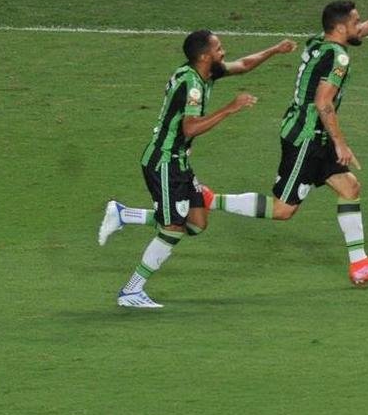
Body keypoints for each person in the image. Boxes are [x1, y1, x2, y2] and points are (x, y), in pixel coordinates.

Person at [204, 0, 368, 285]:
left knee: (349, 187)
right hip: (305, 136)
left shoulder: (319, 41)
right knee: (282, 210)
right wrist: (340, 143)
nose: (361, 25)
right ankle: (207, 199)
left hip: (315, 135)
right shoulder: (338, 57)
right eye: (355, 22)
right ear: (341, 29)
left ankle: (360, 264)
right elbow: (323, 103)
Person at [97, 30, 295, 308]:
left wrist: (275, 49)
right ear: (204, 56)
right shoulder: (192, 86)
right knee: (174, 227)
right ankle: (131, 291)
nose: (223, 52)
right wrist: (230, 108)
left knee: (197, 222)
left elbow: (243, 65)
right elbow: (190, 127)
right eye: (219, 48)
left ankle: (123, 214)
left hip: (178, 161)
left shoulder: (204, 72)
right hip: (163, 162)